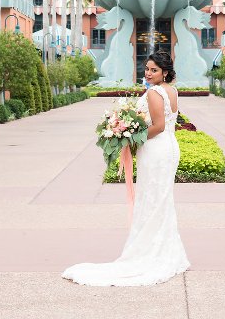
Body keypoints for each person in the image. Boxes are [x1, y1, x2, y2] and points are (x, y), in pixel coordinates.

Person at [61, 50, 190, 286]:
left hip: (156, 149)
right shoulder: (173, 91)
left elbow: (159, 126)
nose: (148, 73)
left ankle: (151, 254)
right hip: (170, 149)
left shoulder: (154, 93)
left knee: (151, 199)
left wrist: (132, 138)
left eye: (154, 70)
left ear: (165, 72)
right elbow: (168, 124)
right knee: (160, 199)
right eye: (147, 69)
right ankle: (165, 251)